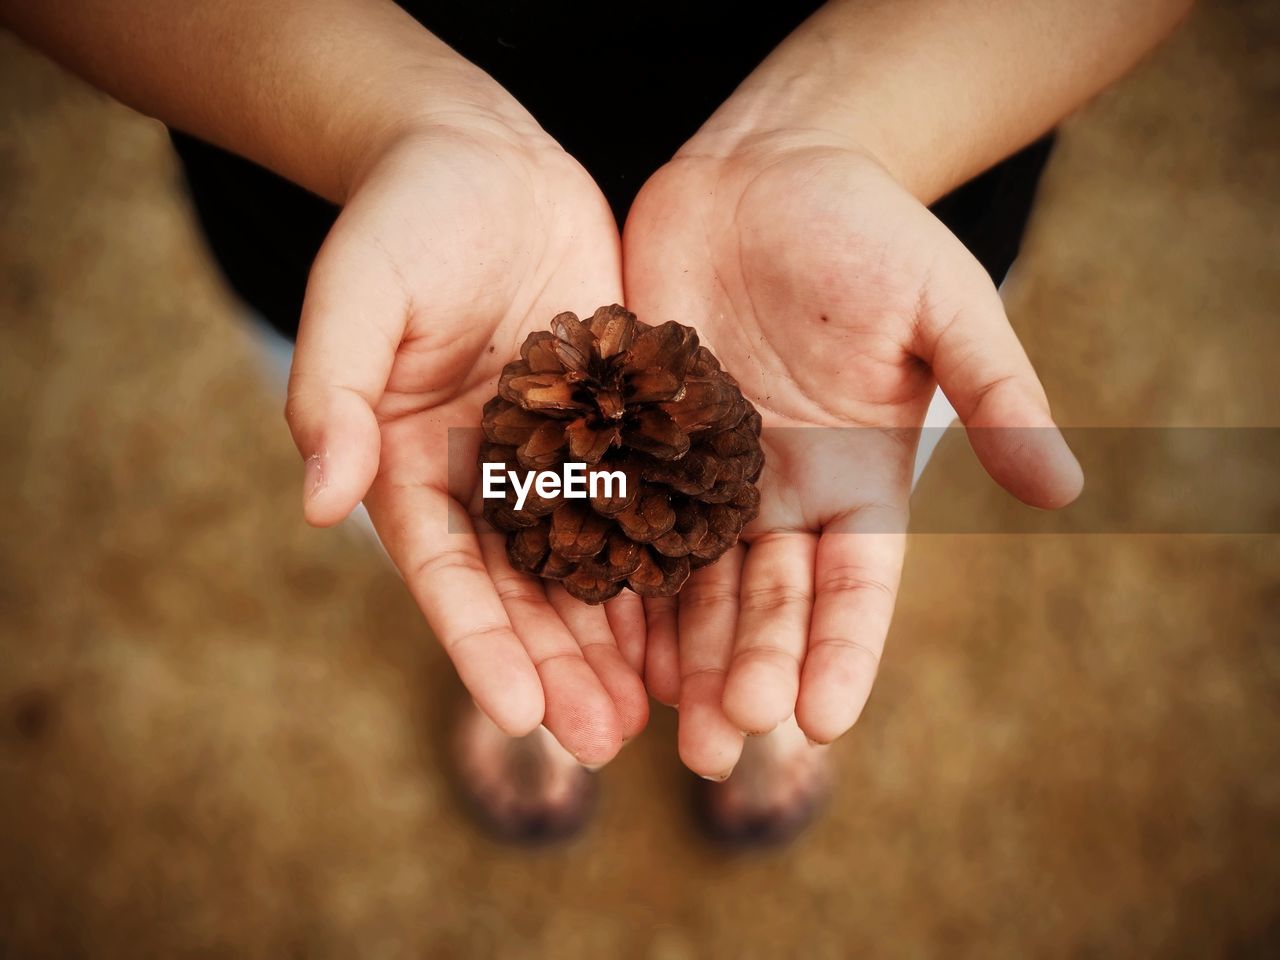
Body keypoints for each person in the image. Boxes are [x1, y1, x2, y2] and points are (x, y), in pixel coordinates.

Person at [1, 0, 1192, 844]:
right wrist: (389, 123)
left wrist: (847, 136)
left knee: (833, 488)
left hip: (867, 226)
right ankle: (520, 677)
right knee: (428, 487)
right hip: (374, 213)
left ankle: (734, 700)